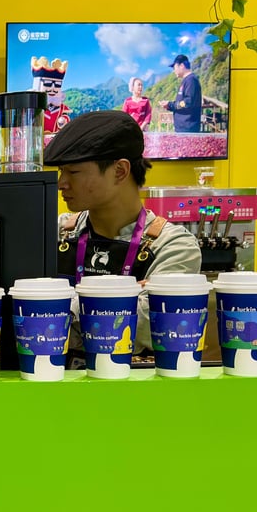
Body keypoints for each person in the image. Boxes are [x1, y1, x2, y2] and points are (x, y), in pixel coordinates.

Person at [44, 110, 202, 356]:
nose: (61, 183)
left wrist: (59, 311)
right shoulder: (55, 232)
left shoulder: (174, 246)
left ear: (120, 171)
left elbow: (152, 327)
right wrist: (123, 302)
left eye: (73, 172)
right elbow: (24, 316)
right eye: (61, 172)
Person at [158, 54, 202, 133]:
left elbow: (187, 102)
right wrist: (168, 106)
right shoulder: (186, 81)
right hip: (182, 128)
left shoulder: (191, 80)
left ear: (181, 65)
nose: (174, 71)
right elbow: (182, 104)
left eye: (174, 68)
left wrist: (171, 104)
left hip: (188, 128)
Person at [32, 56, 71, 134]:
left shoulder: (62, 107)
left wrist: (63, 120)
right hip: (36, 139)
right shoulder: (32, 105)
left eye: (57, 85)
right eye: (48, 84)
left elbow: (65, 117)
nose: (52, 88)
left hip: (56, 139)